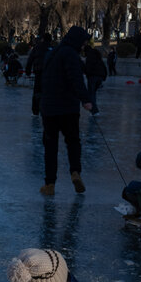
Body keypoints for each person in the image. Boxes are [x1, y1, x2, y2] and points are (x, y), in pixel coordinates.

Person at [38, 26, 92, 196]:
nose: (84, 45)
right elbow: (75, 78)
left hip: (49, 108)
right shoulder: (70, 54)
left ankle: (50, 184)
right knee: (73, 141)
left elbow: (43, 78)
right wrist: (86, 99)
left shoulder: (52, 53)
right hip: (68, 107)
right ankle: (75, 172)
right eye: (83, 42)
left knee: (50, 146)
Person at [25, 34, 53, 116]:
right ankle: (47, 109)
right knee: (48, 91)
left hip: (38, 71)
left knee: (37, 90)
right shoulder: (52, 48)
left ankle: (35, 110)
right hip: (49, 73)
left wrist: (28, 71)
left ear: (43, 39)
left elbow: (30, 59)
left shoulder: (37, 47)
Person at [83, 43, 107, 116]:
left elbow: (88, 68)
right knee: (93, 94)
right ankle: (94, 111)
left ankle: (95, 111)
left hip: (92, 77)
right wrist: (104, 77)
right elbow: (103, 66)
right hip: (100, 77)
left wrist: (86, 72)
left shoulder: (89, 57)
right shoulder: (97, 56)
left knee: (91, 94)